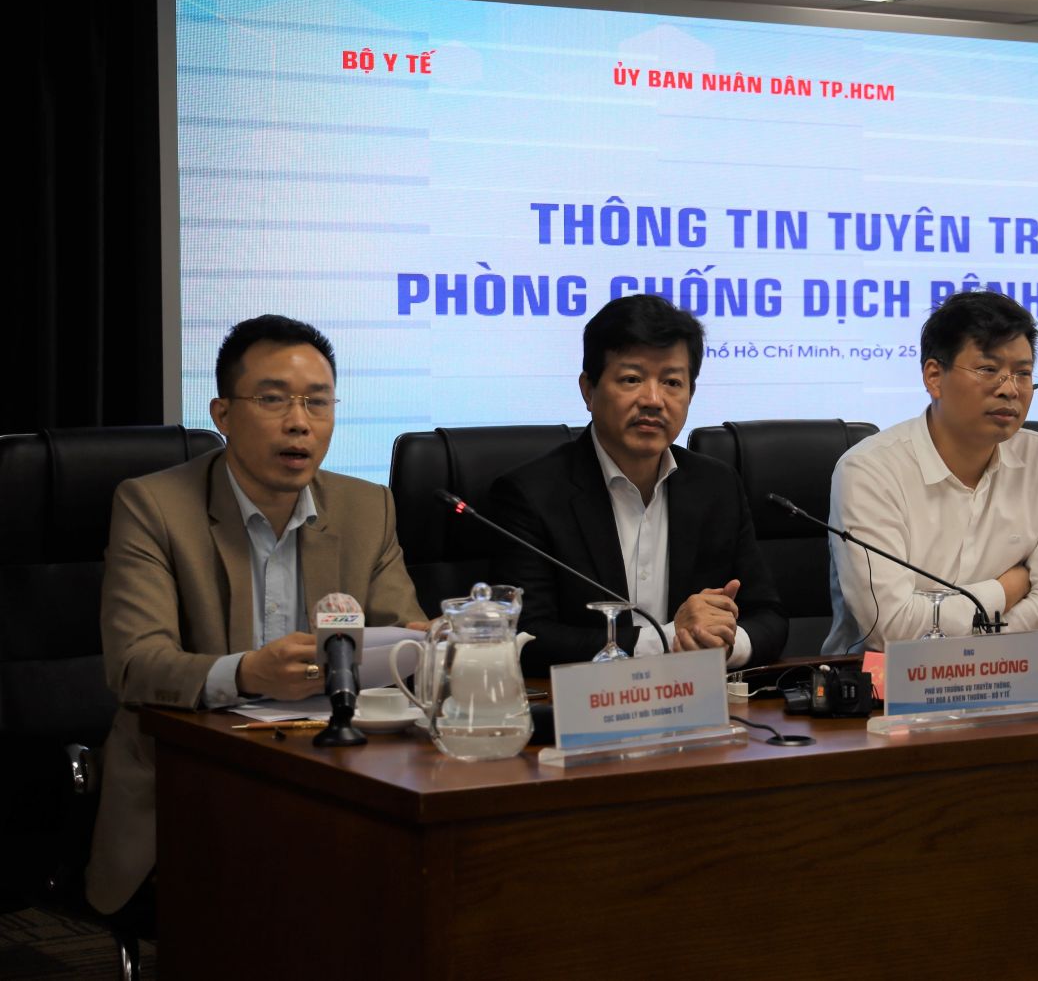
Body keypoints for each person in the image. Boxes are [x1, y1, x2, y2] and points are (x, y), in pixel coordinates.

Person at [86, 315, 426, 917]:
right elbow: (135, 666)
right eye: (273, 400)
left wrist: (433, 643)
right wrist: (247, 674)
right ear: (222, 414)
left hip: (338, 766)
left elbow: (404, 636)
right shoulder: (152, 506)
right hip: (196, 776)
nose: (299, 422)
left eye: (318, 402)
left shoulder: (367, 507)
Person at [489, 295, 786, 675]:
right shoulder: (530, 494)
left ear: (690, 394)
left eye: (672, 382)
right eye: (632, 379)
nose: (653, 400)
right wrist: (667, 641)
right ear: (588, 390)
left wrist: (722, 644)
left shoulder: (716, 485)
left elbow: (769, 617)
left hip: (696, 700)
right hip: (586, 706)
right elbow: (526, 638)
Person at [823, 291, 1038, 653]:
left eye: (1023, 374)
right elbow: (892, 629)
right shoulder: (869, 471)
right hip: (883, 682)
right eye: (988, 370)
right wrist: (1007, 589)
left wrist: (962, 633)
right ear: (934, 377)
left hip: (1009, 674)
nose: (1010, 389)